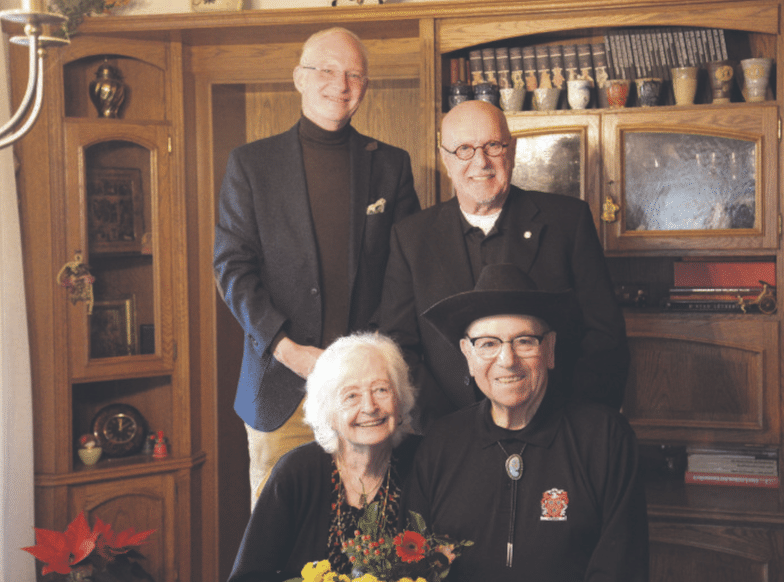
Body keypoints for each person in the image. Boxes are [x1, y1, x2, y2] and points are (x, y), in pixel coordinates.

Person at [213, 27, 421, 506]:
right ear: (299, 79)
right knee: (280, 534)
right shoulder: (250, 164)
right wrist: (287, 349)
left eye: (353, 74)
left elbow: (404, 274)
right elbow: (232, 269)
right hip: (281, 389)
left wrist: (377, 360)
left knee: (372, 530)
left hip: (368, 392)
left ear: (365, 86)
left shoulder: (391, 165)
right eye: (326, 71)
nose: (340, 84)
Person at [376, 99, 628, 431]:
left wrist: (570, 423)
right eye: (464, 149)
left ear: (512, 149)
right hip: (450, 434)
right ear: (445, 159)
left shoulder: (568, 221)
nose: (480, 162)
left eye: (493, 145)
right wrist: (446, 429)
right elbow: (397, 348)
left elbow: (605, 337)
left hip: (557, 428)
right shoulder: (411, 238)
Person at [404, 263, 648, 582]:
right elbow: (414, 563)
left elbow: (621, 568)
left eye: (524, 342)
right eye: (488, 343)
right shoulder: (440, 443)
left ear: (549, 349)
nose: (507, 360)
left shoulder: (606, 439)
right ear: (468, 354)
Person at [228, 332, 421, 582]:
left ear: (400, 398)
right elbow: (247, 577)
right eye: (351, 396)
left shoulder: (427, 462)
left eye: (381, 389)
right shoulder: (296, 472)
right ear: (328, 412)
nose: (370, 406)